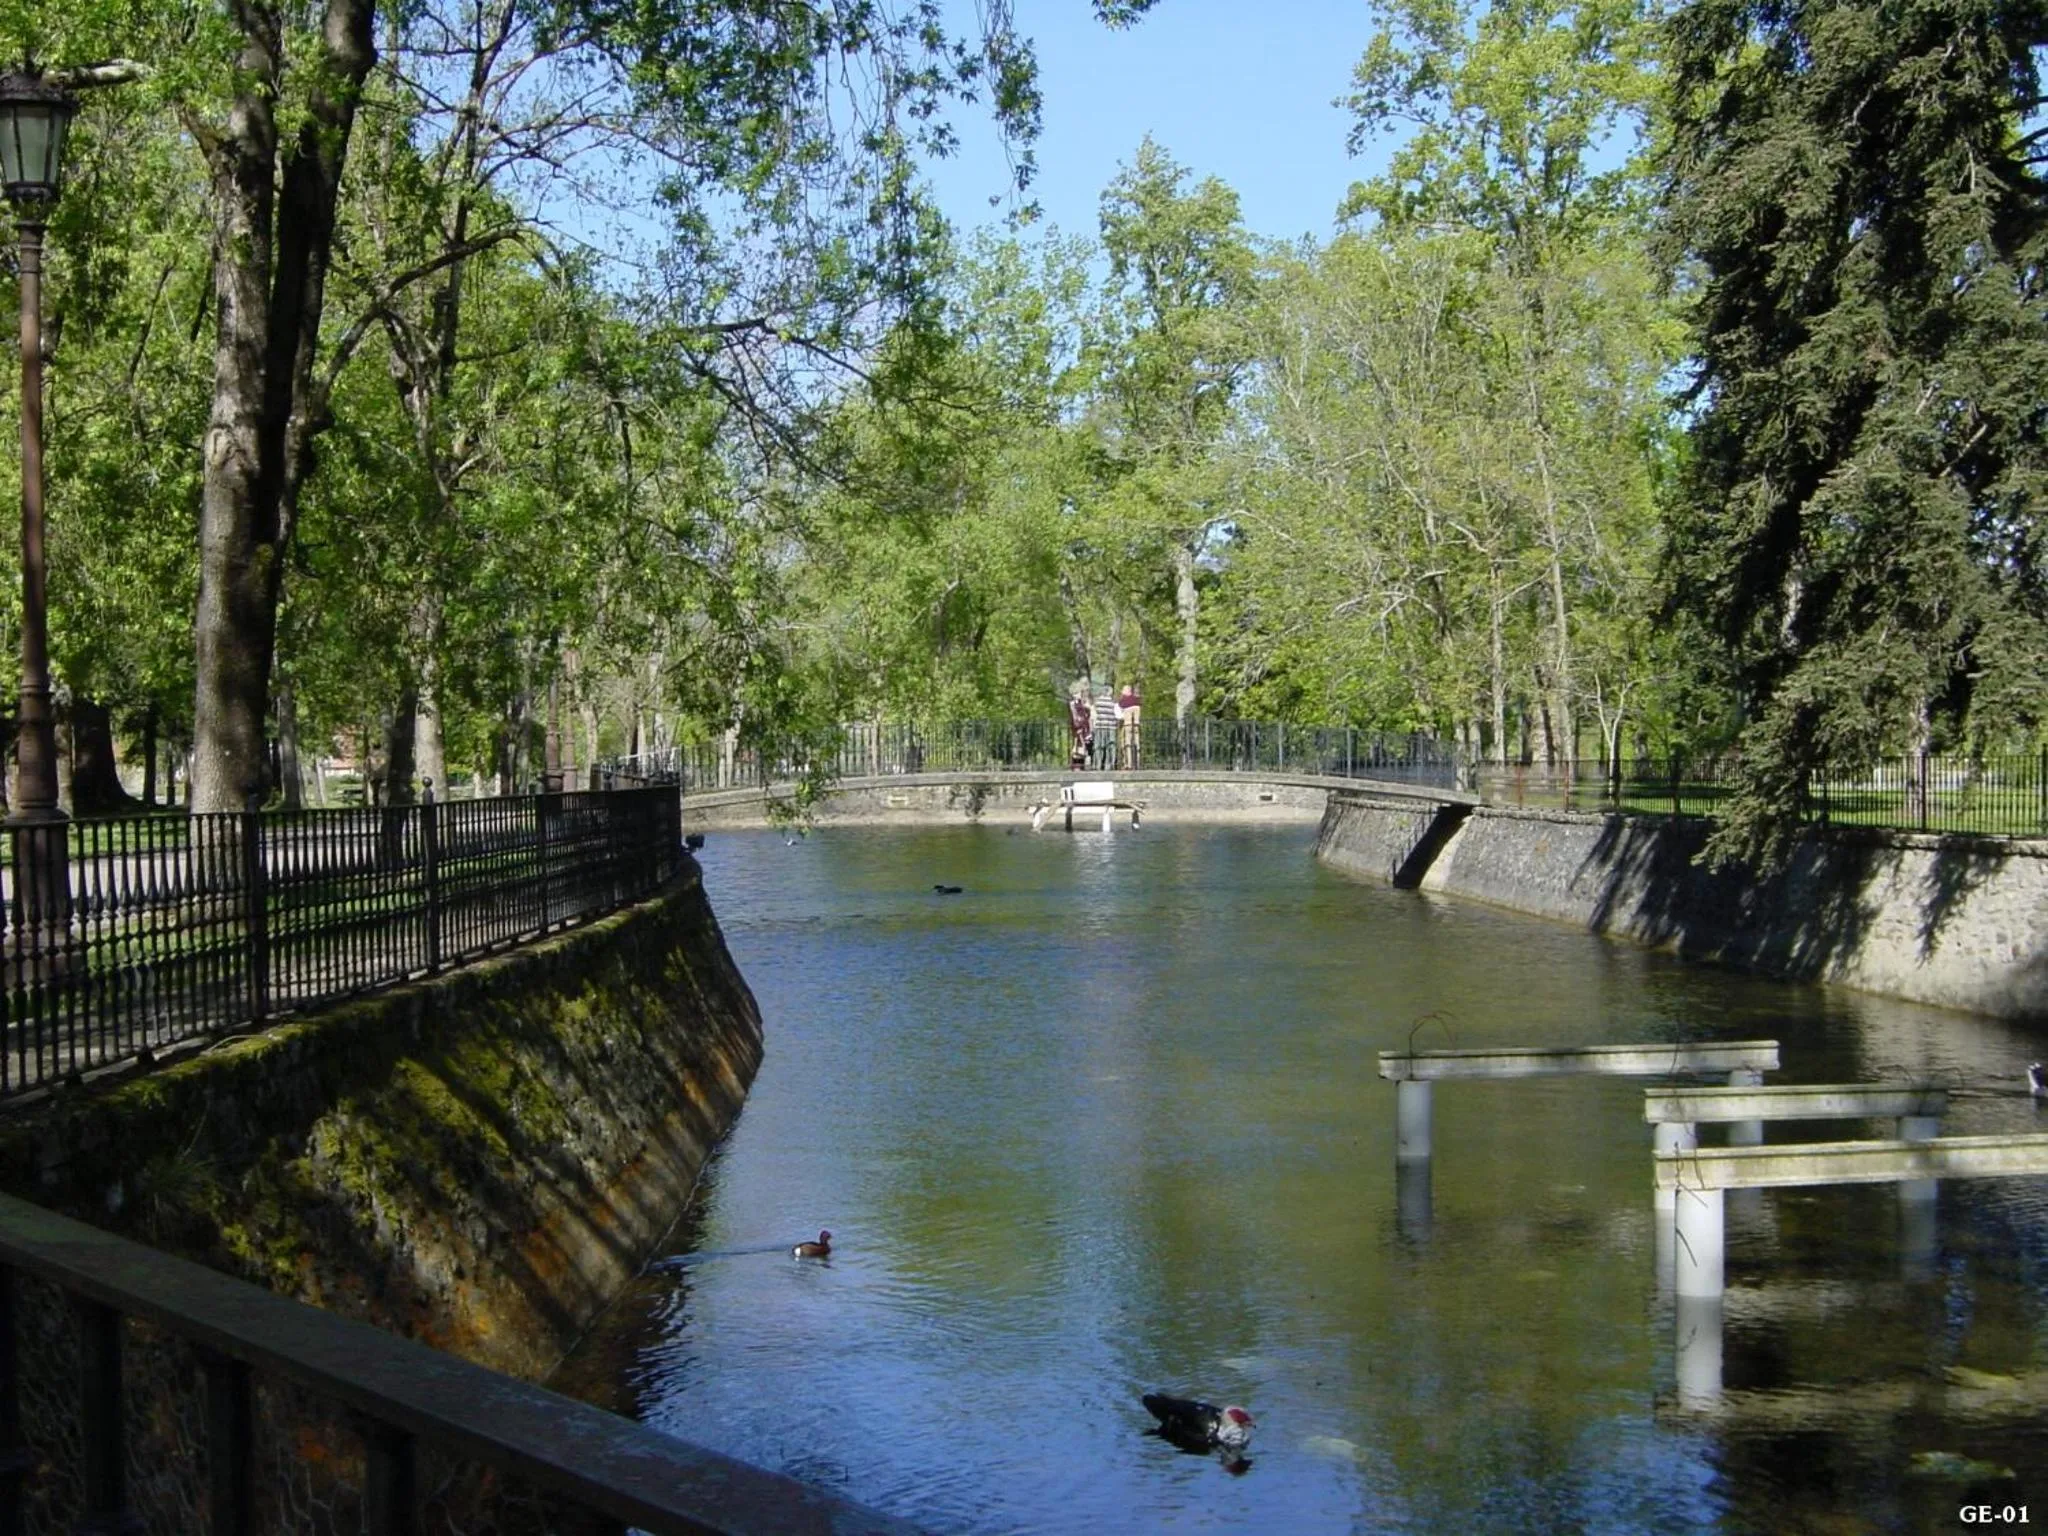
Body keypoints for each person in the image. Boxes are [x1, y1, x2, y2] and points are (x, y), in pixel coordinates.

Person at [1092, 682, 1121, 771]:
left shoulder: (1097, 703)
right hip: (1111, 727)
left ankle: (1098, 764)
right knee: (1110, 746)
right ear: (1110, 692)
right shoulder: (1113, 703)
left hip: (1100, 726)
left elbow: (1093, 715)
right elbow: (1118, 716)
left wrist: (1093, 725)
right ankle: (1110, 764)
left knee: (1098, 746)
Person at [1117, 681, 1141, 768]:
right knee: (1137, 743)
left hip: (1127, 724)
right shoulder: (1137, 700)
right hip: (1136, 725)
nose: (1122, 692)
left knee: (1127, 744)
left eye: (1123, 690)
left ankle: (1129, 763)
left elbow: (1119, 711)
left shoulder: (1124, 701)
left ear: (1128, 691)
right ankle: (1137, 762)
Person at [1067, 688, 1091, 770]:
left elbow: (1087, 713)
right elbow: (1074, 714)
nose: (1079, 695)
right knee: (1077, 745)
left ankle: (1082, 765)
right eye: (1077, 693)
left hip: (1084, 725)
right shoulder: (1073, 703)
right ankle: (1076, 765)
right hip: (1078, 726)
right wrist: (1077, 724)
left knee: (1083, 745)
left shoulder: (1082, 703)